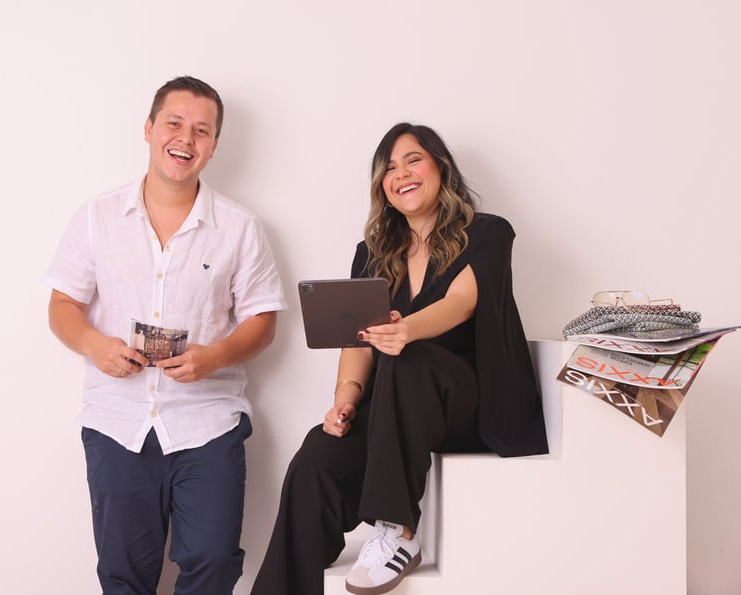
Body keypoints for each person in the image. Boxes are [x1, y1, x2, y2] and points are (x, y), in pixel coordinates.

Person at [250, 122, 548, 595]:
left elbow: (462, 302)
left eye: (413, 160)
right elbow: (356, 342)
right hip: (397, 408)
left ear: (440, 167)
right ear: (381, 187)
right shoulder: (372, 254)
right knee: (317, 457)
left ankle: (397, 531)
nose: (401, 174)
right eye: (389, 168)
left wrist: (405, 330)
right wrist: (345, 400)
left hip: (472, 402)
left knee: (410, 360)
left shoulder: (488, 232)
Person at [45, 75, 287, 595]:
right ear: (150, 128)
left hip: (208, 422)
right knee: (123, 574)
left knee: (214, 560)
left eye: (202, 130)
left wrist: (216, 355)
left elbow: (264, 319)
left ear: (215, 146)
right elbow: (62, 304)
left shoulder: (240, 228)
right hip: (117, 422)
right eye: (174, 124)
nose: (186, 139)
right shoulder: (97, 216)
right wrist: (95, 345)